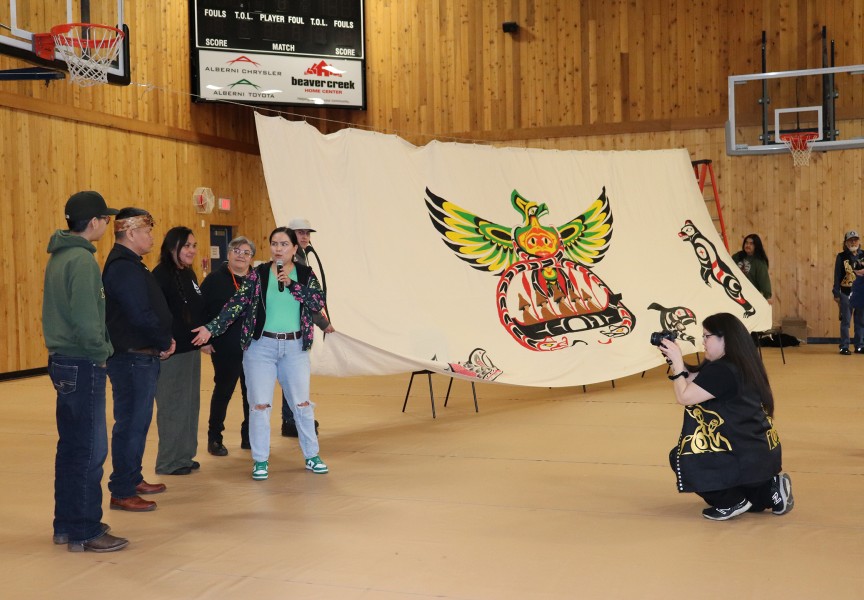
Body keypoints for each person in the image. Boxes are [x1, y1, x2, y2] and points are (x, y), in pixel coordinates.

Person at [191, 227, 332, 481]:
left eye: (284, 244)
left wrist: (292, 285)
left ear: (294, 248)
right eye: (274, 243)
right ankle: (260, 459)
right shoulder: (258, 274)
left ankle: (312, 455)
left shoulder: (306, 274)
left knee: (301, 403)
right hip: (261, 348)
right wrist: (211, 328)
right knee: (259, 405)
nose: (278, 248)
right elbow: (235, 304)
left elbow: (317, 301)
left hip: (294, 348)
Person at [43, 191, 128, 552]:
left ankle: (66, 523)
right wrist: (101, 354)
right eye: (106, 219)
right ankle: (86, 529)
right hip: (82, 361)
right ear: (93, 222)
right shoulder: (82, 261)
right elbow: (85, 319)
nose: (107, 224)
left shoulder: (60, 256)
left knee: (72, 447)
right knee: (90, 451)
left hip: (63, 360)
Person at [658, 312, 794, 521]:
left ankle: (730, 502)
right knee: (754, 504)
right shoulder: (737, 364)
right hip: (758, 452)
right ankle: (770, 489)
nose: (703, 342)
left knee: (682, 456)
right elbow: (696, 380)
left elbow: (685, 396)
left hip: (739, 452)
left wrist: (677, 365)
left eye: (707, 336)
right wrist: (674, 360)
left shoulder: (724, 370)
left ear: (725, 338)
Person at [103, 207, 174, 512]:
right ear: (131, 233)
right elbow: (139, 313)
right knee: (131, 424)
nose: (152, 237)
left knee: (138, 422)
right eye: (147, 232)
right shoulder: (123, 267)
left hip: (139, 357)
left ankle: (131, 478)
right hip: (132, 358)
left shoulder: (132, 264)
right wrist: (163, 340)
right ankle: (121, 490)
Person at [153, 227, 208, 475]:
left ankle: (184, 456)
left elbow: (195, 310)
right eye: (186, 245)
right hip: (171, 354)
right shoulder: (160, 276)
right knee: (172, 406)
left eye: (194, 246)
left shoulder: (188, 274)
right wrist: (164, 342)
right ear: (172, 247)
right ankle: (168, 461)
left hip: (190, 351)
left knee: (189, 405)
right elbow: (156, 315)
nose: (192, 250)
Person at [200, 236, 256, 455]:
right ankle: (215, 437)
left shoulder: (258, 280)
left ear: (252, 258)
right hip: (224, 347)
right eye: (236, 251)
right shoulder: (214, 280)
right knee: (223, 391)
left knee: (252, 393)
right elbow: (200, 310)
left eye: (246, 252)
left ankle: (249, 435)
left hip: (254, 348)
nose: (241, 255)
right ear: (228, 253)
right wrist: (206, 341)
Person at [281, 218, 333, 438]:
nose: (304, 237)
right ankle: (291, 420)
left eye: (307, 233)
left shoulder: (301, 258)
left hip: (299, 327)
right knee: (293, 375)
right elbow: (302, 298)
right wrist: (323, 322)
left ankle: (294, 418)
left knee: (295, 375)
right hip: (290, 327)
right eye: (300, 232)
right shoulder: (292, 263)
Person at [832, 230, 864, 355]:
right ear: (845, 243)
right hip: (846, 292)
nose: (853, 242)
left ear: (859, 241)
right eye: (850, 240)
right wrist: (836, 293)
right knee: (846, 321)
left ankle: (859, 345)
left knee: (860, 321)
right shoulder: (841, 256)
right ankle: (844, 346)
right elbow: (837, 276)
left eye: (855, 240)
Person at [732, 234, 772, 303]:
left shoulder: (759, 262)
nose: (748, 245)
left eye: (751, 244)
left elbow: (764, 280)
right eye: (746, 243)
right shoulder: (737, 256)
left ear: (756, 246)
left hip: (751, 297)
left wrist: (767, 296)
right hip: (735, 293)